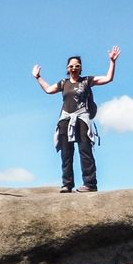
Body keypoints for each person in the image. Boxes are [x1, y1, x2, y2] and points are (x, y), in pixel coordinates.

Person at [32, 47, 120, 193]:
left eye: (77, 66)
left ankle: (90, 184)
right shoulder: (63, 83)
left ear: (81, 68)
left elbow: (108, 78)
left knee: (85, 151)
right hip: (66, 119)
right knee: (66, 153)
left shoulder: (87, 80)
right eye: (71, 66)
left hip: (82, 119)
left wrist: (112, 62)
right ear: (67, 68)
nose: (74, 68)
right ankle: (67, 184)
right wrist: (38, 77)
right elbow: (48, 90)